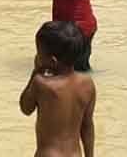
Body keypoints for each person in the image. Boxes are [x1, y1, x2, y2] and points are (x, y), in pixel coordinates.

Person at [19, 21, 96, 157]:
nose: (37, 56)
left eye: (39, 53)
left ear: (52, 61)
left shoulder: (42, 83)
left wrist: (36, 71)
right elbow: (87, 126)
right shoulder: (87, 84)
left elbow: (25, 108)